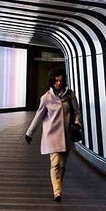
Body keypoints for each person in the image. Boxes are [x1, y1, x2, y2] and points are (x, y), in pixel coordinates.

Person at [24, 69, 79, 201]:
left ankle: (58, 186)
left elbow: (77, 112)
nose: (58, 83)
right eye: (56, 81)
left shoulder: (70, 95)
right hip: (52, 136)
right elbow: (38, 116)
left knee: (63, 165)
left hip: (66, 135)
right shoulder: (46, 98)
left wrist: (77, 123)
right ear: (52, 81)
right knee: (55, 164)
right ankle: (57, 192)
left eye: (61, 80)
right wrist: (29, 133)